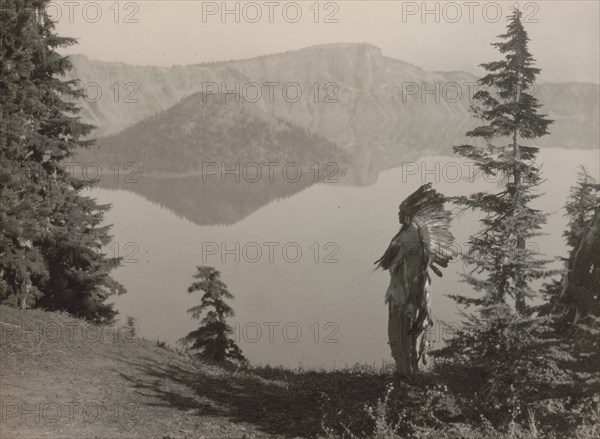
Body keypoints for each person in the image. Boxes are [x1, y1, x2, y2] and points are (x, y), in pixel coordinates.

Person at [375, 183, 454, 376]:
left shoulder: (406, 238)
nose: (398, 216)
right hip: (416, 289)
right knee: (413, 331)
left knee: (402, 330)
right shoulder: (416, 235)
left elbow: (390, 263)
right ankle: (411, 370)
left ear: (408, 215)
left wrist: (409, 289)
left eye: (400, 213)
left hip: (405, 291)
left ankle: (406, 372)